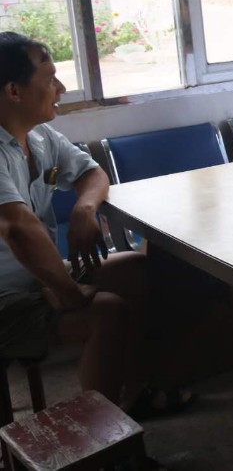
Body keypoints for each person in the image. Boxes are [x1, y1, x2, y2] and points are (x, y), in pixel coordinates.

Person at [0, 32, 190, 423]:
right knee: (106, 311)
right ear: (14, 91)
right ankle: (98, 440)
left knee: (138, 270)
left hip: (37, 277)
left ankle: (134, 396)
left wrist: (85, 209)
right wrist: (68, 292)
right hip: (6, 296)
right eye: (50, 79)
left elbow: (92, 172)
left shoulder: (40, 137)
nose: (61, 88)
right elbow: (17, 227)